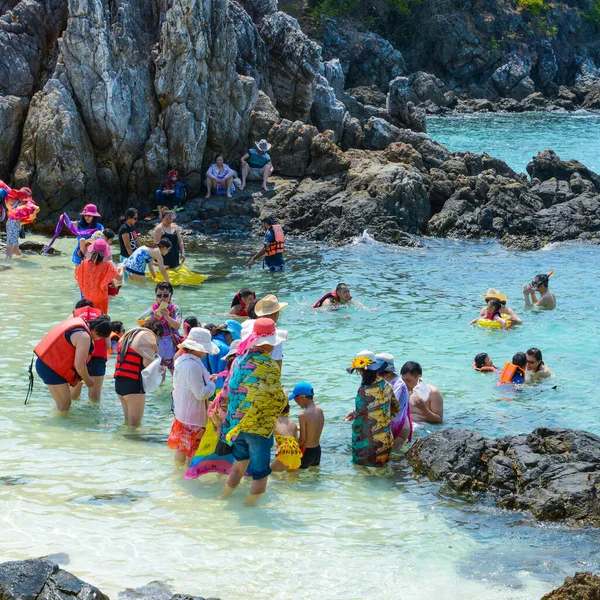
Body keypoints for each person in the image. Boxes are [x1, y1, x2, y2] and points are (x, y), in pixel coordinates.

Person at [221, 318, 288, 504]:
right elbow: (277, 401)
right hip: (258, 429)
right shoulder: (269, 366)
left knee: (238, 466)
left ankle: (223, 498)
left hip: (236, 426)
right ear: (268, 343)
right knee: (260, 474)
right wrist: (284, 395)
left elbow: (226, 394)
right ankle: (249, 511)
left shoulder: (238, 360)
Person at [34, 313, 111, 412]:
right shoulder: (84, 337)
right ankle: (60, 426)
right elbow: (79, 365)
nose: (99, 339)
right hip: (50, 367)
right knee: (64, 405)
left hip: (46, 362)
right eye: (100, 337)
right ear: (96, 331)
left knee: (65, 404)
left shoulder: (79, 322)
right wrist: (88, 381)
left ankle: (62, 423)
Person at [168, 328, 219, 465]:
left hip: (181, 412)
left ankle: (177, 476)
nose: (205, 352)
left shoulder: (181, 360)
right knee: (193, 452)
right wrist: (213, 383)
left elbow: (190, 385)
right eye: (204, 349)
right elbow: (201, 394)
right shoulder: (193, 365)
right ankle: (190, 481)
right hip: (194, 417)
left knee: (181, 448)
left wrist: (208, 380)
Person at [345, 350, 396, 467]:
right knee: (382, 473)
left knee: (364, 476)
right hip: (385, 441)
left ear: (362, 371)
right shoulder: (386, 385)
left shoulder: (363, 391)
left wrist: (356, 415)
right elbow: (395, 408)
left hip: (368, 446)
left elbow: (361, 417)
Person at [114, 318, 163, 427]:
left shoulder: (130, 335)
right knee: (135, 426)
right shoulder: (148, 337)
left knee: (127, 423)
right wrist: (160, 369)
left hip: (119, 383)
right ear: (158, 332)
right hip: (133, 385)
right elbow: (147, 364)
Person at [70, 301, 111, 403]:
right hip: (98, 358)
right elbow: (108, 345)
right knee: (95, 397)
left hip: (78, 358)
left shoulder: (74, 315)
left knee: (73, 395)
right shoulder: (102, 316)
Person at [137, 282, 182, 373]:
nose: (162, 298)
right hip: (158, 347)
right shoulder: (153, 309)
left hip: (172, 346)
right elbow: (140, 323)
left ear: (170, 296)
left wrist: (167, 317)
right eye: (159, 295)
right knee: (160, 377)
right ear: (156, 296)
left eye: (165, 295)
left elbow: (177, 326)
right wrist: (154, 319)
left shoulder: (175, 309)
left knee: (176, 375)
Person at [375, 353, 412, 449]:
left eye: (376, 372)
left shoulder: (398, 385)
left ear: (387, 372)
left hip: (400, 429)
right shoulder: (384, 381)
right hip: (392, 425)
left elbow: (391, 406)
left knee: (392, 455)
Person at [241, 294, 288, 367]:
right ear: (276, 314)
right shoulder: (275, 336)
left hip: (242, 368)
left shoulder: (245, 325)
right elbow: (277, 364)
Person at [73, 239, 119, 314]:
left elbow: (78, 275)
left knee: (90, 318)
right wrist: (122, 269)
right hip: (101, 298)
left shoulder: (85, 262)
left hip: (87, 296)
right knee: (101, 319)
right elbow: (119, 278)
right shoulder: (107, 265)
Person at [289, 381, 324, 469]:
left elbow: (303, 439)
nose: (296, 402)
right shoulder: (319, 410)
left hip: (306, 451)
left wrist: (292, 448)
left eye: (295, 399)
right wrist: (298, 428)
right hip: (317, 450)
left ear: (301, 398)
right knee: (313, 476)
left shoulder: (303, 415)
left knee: (296, 476)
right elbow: (314, 428)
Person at [3, 186, 39, 259]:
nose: (19, 196)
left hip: (14, 227)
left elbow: (36, 208)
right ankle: (24, 258)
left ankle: (7, 263)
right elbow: (7, 196)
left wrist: (33, 212)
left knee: (10, 246)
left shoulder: (27, 206)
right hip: (10, 226)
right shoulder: (17, 202)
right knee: (15, 248)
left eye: (20, 195)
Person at [270, 403, 303, 472]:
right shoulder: (293, 423)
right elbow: (296, 442)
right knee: (292, 481)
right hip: (296, 455)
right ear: (288, 410)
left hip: (286, 453)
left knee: (267, 474)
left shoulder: (274, 420)